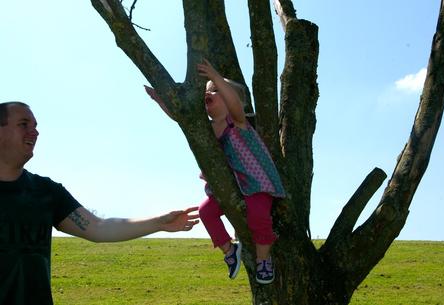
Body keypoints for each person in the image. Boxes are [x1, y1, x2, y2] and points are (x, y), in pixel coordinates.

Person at [0, 101, 200, 305]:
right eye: (24, 124)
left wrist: (158, 222)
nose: (35, 133)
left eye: (35, 126)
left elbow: (98, 228)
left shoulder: (46, 191)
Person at [145, 59, 286, 285]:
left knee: (258, 216)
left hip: (256, 183)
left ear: (233, 101)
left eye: (216, 91)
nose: (209, 93)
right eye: (208, 91)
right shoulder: (209, 129)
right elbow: (182, 118)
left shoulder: (237, 121)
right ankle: (229, 250)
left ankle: (263, 259)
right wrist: (161, 100)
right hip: (229, 186)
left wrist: (215, 75)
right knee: (205, 212)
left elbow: (234, 102)